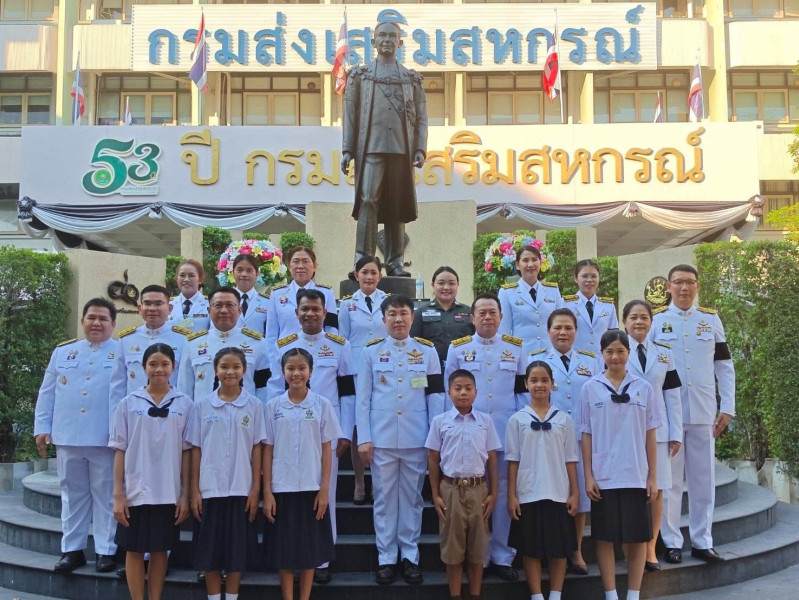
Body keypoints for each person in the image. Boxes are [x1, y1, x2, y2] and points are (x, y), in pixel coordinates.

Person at [266, 288, 355, 584]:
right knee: (291, 500)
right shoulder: (284, 345)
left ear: (325, 312)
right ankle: (291, 556)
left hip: (326, 430)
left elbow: (348, 391)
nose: (310, 314)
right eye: (305, 309)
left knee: (325, 494)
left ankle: (322, 558)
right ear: (296, 313)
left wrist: (345, 432)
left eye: (316, 309)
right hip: (288, 428)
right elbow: (275, 388)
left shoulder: (339, 345)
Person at [356, 294, 445, 585]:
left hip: (416, 437)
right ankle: (386, 558)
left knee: (412, 499)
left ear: (412, 317)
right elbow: (363, 399)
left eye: (403, 313)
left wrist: (435, 439)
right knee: (383, 500)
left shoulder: (427, 351)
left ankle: (409, 556)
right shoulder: (370, 352)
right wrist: (364, 438)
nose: (398, 319)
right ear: (383, 320)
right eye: (392, 314)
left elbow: (435, 397)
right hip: (381, 439)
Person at [650, 264, 735, 565]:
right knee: (670, 482)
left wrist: (727, 407)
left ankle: (702, 541)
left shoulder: (710, 319)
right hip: (669, 414)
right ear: (668, 286)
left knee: (703, 480)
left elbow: (724, 365)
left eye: (689, 282)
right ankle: (672, 542)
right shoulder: (658, 320)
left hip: (703, 411)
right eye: (678, 282)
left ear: (697, 286)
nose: (684, 288)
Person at [443, 293, 526, 581]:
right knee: (473, 496)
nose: (488, 317)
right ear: (472, 318)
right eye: (482, 313)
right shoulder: (458, 349)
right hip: (469, 435)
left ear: (501, 317)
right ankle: (477, 555)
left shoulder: (516, 348)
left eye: (493, 312)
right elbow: (448, 395)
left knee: (501, 494)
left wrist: (521, 430)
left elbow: (522, 393)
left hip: (504, 432)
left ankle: (502, 555)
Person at [33, 298, 120, 573]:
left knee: (106, 495)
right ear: (82, 321)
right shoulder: (63, 352)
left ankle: (106, 551)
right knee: (72, 495)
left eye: (103, 319)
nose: (97, 323)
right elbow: (47, 392)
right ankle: (72, 550)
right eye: (91, 317)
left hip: (105, 437)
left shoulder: (121, 352)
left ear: (113, 324)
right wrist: (42, 427)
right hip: (68, 435)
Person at [341, 18, 428, 277]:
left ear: (400, 43)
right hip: (371, 147)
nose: (387, 40)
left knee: (396, 205)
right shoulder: (360, 76)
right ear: (373, 41)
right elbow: (350, 115)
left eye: (392, 36)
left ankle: (394, 262)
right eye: (383, 36)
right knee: (368, 200)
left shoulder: (411, 79)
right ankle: (363, 260)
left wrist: (420, 147)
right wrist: (347, 149)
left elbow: (422, 117)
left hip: (401, 149)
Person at [581, 331, 660, 600]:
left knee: (637, 538)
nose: (615, 357)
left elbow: (650, 434)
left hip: (635, 473)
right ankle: (611, 593)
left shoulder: (643, 388)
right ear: (602, 354)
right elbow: (586, 434)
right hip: (604, 475)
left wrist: (652, 476)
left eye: (620, 351)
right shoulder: (590, 388)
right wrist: (588, 476)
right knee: (605, 537)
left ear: (628, 353)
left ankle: (634, 593)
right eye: (609, 352)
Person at [110, 343, 192, 600]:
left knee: (160, 549)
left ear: (173, 367)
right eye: (153, 364)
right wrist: (118, 494)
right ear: (143, 367)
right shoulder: (128, 403)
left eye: (164, 364)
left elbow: (188, 452)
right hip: (136, 489)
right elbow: (120, 449)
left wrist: (185, 494)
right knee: (133, 550)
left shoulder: (184, 404)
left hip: (168, 490)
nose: (159, 369)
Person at [263, 348, 340, 600]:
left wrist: (324, 490)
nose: (296, 373)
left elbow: (327, 450)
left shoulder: (322, 405)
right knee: (284, 551)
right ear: (283, 372)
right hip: (281, 488)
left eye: (302, 368)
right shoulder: (273, 407)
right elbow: (267, 450)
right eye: (291, 368)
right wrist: (267, 492)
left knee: (309, 550)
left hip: (311, 487)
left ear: (311, 372)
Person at [188, 347, 265, 600]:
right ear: (215, 370)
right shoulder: (202, 406)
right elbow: (196, 449)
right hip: (210, 489)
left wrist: (255, 490)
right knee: (209, 552)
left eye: (235, 367)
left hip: (241, 488)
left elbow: (257, 449)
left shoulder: (254, 406)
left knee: (236, 553)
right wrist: (194, 491)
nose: (230, 372)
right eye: (224, 367)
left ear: (244, 370)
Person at [534, 307, 602, 576]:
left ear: (576, 331)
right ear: (548, 331)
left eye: (568, 328)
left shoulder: (591, 361)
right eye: (557, 328)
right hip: (547, 436)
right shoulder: (537, 359)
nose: (563, 333)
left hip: (581, 437)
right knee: (550, 493)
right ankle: (547, 548)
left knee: (580, 495)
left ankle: (576, 550)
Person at [506, 361, 579, 600]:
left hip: (558, 492)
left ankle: (555, 595)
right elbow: (513, 460)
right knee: (531, 549)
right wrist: (512, 496)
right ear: (526, 383)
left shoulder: (564, 420)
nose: (539, 385)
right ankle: (536, 595)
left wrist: (575, 493)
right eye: (534, 380)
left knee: (559, 549)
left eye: (544, 380)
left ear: (552, 384)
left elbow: (570, 459)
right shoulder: (517, 420)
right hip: (528, 492)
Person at [425, 369, 500, 600]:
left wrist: (493, 493)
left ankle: (475, 594)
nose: (463, 393)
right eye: (458, 388)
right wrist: (436, 494)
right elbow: (433, 459)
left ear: (476, 392)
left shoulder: (485, 421)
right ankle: (455, 595)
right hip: (451, 489)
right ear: (449, 392)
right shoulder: (440, 422)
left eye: (468, 388)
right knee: (453, 549)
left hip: (478, 489)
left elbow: (492, 458)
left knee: (478, 548)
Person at [623, 299, 683, 571]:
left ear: (651, 321)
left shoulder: (664, 353)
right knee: (631, 489)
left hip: (659, 431)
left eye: (644, 317)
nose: (639, 322)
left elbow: (673, 395)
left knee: (658, 490)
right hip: (627, 431)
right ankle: (630, 546)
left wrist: (676, 432)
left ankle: (650, 547)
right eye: (633, 317)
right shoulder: (617, 350)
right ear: (624, 321)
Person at [339, 255, 388, 505]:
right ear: (356, 275)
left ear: (380, 276)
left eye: (373, 272)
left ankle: (378, 480)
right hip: (357, 371)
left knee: (378, 421)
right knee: (359, 425)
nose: (369, 277)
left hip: (383, 370)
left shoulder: (388, 301)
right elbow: (343, 340)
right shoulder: (346, 304)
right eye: (364, 272)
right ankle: (359, 480)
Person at [177, 287, 271, 404]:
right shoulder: (193, 343)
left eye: (230, 305)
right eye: (218, 305)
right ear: (209, 310)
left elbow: (263, 387)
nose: (224, 310)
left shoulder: (257, 343)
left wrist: (258, 412)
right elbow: (184, 388)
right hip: (204, 412)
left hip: (245, 412)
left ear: (239, 310)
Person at [111, 284, 191, 419]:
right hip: (134, 415)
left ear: (170, 308)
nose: (152, 308)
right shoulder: (126, 340)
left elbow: (186, 383)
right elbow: (117, 386)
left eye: (158, 304)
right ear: (140, 308)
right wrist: (115, 423)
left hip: (171, 414)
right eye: (147, 304)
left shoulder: (184, 339)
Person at [266, 246, 338, 351]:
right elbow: (271, 334)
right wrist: (273, 359)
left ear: (314, 266)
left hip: (318, 352)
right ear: (289, 266)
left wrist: (330, 353)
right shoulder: (277, 294)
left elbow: (332, 329)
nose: (300, 266)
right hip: (286, 353)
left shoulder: (327, 293)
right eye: (296, 262)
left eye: (305, 261)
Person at [498, 245, 564, 356]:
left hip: (550, 355)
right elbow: (504, 331)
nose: (530, 264)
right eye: (525, 260)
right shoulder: (507, 292)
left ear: (540, 263)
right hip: (522, 355)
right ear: (517, 265)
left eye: (534, 260)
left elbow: (561, 323)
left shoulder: (552, 290)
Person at [410, 266, 474, 367]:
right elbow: (413, 344)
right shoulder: (420, 313)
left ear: (457, 285)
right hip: (431, 369)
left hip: (463, 368)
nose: (446, 287)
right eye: (441, 283)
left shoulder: (469, 312)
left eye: (451, 283)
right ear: (433, 285)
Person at [563, 259, 619, 351]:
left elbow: (613, 336)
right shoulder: (565, 305)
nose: (589, 280)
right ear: (576, 278)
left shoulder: (608, 306)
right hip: (576, 357)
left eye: (594, 276)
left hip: (601, 358)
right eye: (584, 276)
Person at [168, 259, 210, 333]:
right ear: (176, 279)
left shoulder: (209, 304)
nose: (186, 279)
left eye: (191, 275)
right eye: (182, 275)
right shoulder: (168, 304)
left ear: (200, 279)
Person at [232, 254, 269, 336]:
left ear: (257, 274)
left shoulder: (268, 302)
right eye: (239, 270)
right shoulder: (224, 300)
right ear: (233, 273)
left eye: (249, 270)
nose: (244, 274)